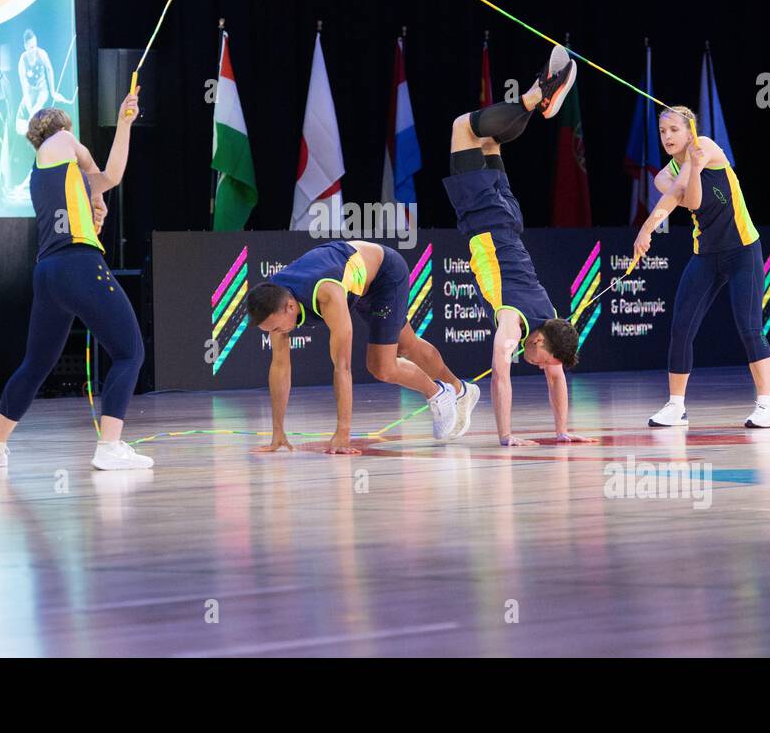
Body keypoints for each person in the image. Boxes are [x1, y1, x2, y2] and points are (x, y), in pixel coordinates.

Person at [0, 88, 150, 471]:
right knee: (129, 352)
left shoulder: (53, 175)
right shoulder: (59, 142)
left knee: (36, 364)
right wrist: (96, 191)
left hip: (49, 274)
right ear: (60, 129)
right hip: (79, 265)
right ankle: (109, 447)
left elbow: (111, 176)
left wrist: (124, 122)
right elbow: (95, 169)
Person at [442, 45, 595, 446]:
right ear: (540, 341)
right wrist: (507, 437)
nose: (540, 366)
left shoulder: (552, 319)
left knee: (490, 139)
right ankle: (534, 97)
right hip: (487, 222)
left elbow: (558, 377)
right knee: (464, 126)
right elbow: (499, 375)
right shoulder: (513, 326)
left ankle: (539, 98)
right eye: (542, 360)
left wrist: (562, 431)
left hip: (509, 219)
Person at [245, 240, 478, 454]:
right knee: (408, 345)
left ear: (289, 306)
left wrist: (342, 434)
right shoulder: (273, 300)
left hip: (385, 275)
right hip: (358, 283)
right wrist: (277, 432)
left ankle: (438, 393)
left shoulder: (327, 294)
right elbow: (280, 367)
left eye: (275, 329)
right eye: (269, 331)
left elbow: (342, 367)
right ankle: (461, 390)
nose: (275, 334)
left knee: (381, 366)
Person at [634, 105, 770, 429]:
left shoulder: (707, 146)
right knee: (682, 326)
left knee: (750, 327)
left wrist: (648, 226)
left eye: (674, 130)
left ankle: (766, 405)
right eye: (662, 131)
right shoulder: (663, 177)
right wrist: (648, 227)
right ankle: (676, 406)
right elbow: (691, 199)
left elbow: (689, 193)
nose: (667, 136)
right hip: (706, 255)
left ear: (690, 131)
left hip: (743, 251)